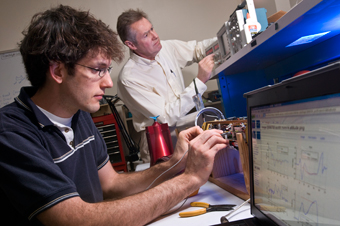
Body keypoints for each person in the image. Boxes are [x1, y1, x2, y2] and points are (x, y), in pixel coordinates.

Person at [0, 5, 228, 226]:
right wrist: (189, 180)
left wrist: (174, 164)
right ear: (58, 71)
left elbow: (111, 184)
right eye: (96, 70)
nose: (108, 82)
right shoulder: (12, 133)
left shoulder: (79, 116)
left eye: (107, 70)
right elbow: (78, 220)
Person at [116, 9, 217, 162]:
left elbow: (198, 50)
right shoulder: (129, 78)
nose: (155, 36)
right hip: (160, 143)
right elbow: (165, 117)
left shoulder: (165, 49)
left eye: (152, 28)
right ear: (131, 44)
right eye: (146, 35)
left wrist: (226, 37)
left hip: (187, 130)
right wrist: (199, 82)